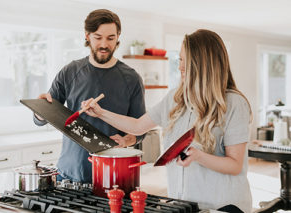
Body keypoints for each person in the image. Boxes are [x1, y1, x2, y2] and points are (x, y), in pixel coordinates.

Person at [83, 29, 252, 212]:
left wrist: (199, 156)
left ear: (204, 65)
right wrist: (100, 112)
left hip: (223, 206)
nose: (180, 67)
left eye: (186, 62)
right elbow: (138, 126)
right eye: (179, 60)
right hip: (184, 204)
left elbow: (235, 165)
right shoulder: (176, 98)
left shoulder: (234, 103)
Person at [34, 9, 146, 183]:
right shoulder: (69, 71)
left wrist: (126, 140)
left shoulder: (131, 78)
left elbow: (141, 130)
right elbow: (44, 116)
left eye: (110, 38)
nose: (104, 44)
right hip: (68, 174)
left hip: (112, 175)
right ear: (87, 36)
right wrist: (39, 111)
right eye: (98, 37)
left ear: (118, 37)